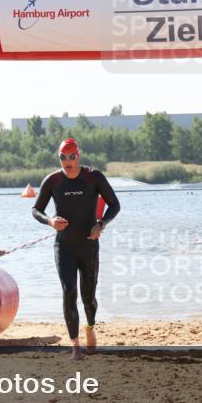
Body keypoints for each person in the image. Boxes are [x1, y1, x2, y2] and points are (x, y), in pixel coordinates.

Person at [32, 138, 121, 360]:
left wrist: (101, 224)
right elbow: (36, 209)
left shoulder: (93, 177)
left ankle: (90, 326)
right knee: (68, 291)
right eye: (63, 157)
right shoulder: (53, 180)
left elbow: (115, 204)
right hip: (64, 247)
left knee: (88, 297)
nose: (67, 162)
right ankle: (75, 346)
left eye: (71, 157)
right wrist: (50, 221)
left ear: (78, 156)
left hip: (88, 246)